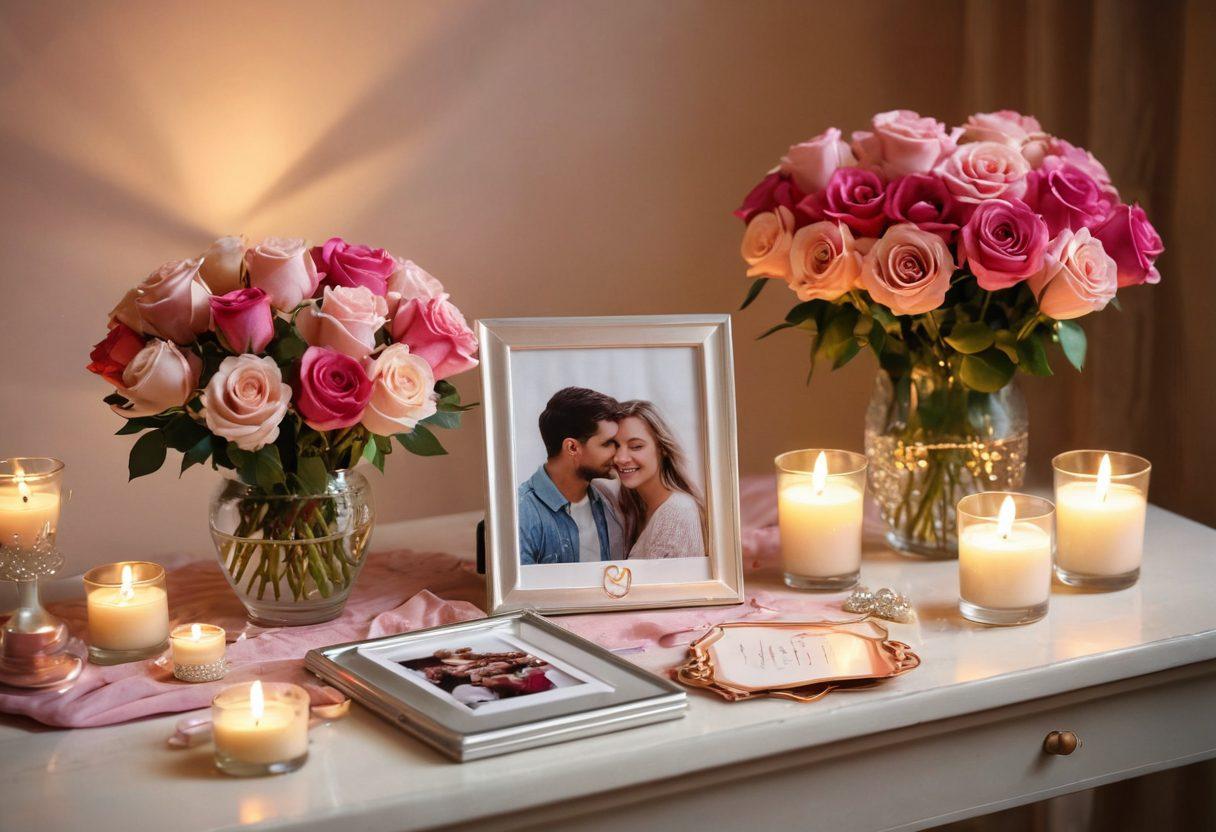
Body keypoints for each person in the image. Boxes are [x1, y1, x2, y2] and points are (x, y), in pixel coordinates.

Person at [517, 387, 626, 565]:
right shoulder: (521, 514)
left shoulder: (609, 502)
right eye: (608, 443)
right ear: (572, 448)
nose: (619, 453)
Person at [604, 400, 706, 559]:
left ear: (662, 448)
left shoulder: (677, 512)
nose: (620, 458)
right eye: (615, 446)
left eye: (636, 446)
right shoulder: (632, 505)